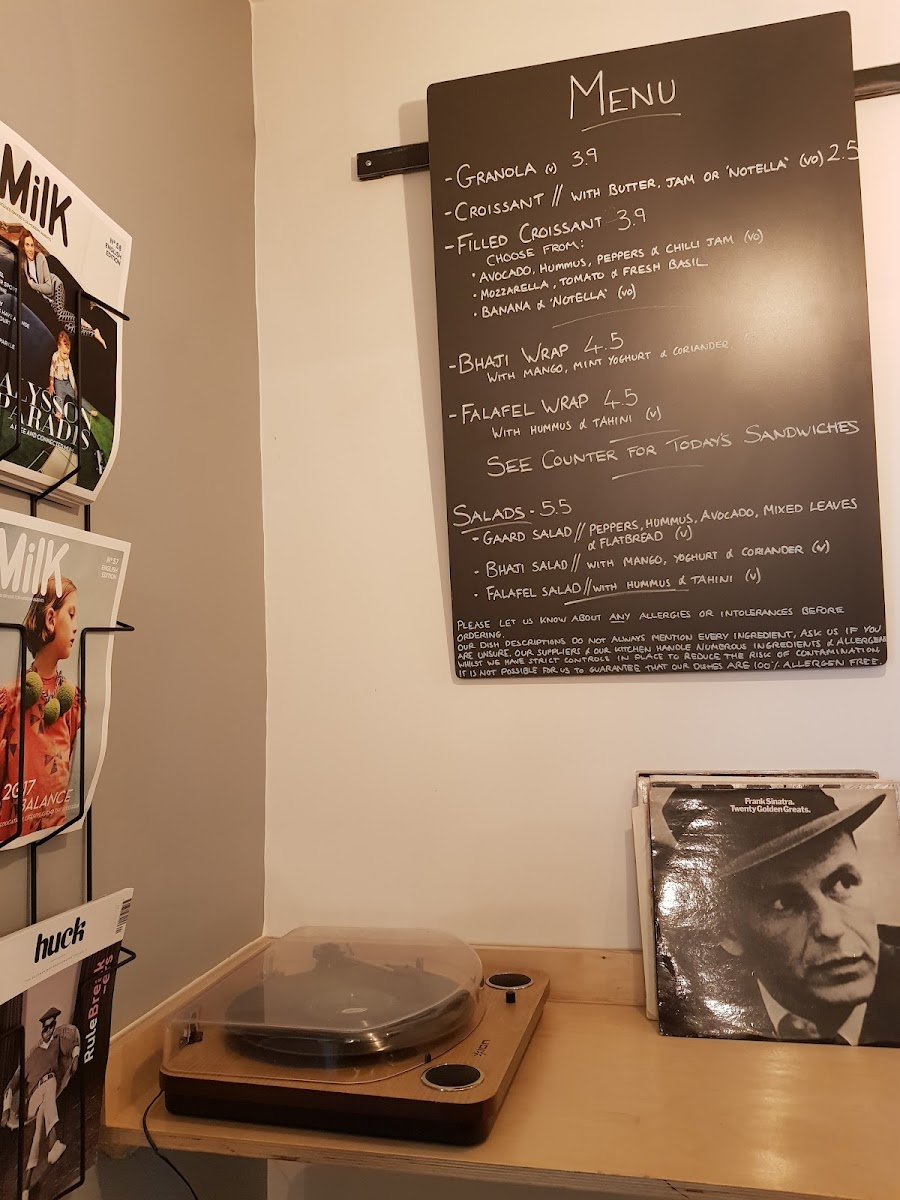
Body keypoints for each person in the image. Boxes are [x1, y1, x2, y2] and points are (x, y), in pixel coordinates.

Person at [656, 787, 900, 1044]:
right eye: (783, 903)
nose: (831, 928)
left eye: (843, 883)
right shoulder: (698, 1004)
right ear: (728, 934)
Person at [0, 576, 81, 841]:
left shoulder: (71, 698)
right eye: (71, 615)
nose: (76, 627)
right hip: (14, 834)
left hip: (54, 831)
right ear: (50, 619)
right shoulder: (11, 697)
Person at [1, 1006, 80, 1200]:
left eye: (52, 1027)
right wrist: (6, 1110)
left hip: (45, 1097)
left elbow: (74, 1044)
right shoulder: (32, 1057)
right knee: (49, 1084)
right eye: (46, 1028)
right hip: (32, 1101)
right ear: (41, 1030)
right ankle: (53, 1144)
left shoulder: (57, 1043)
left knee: (38, 1130)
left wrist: (76, 1057)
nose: (49, 1031)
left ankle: (25, 1186)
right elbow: (12, 1085)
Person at [19, 229, 106, 348]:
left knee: (60, 314)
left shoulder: (40, 258)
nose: (30, 249)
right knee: (68, 327)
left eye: (32, 245)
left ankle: (80, 320)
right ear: (23, 247)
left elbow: (49, 287)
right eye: (27, 245)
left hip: (56, 287)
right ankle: (93, 333)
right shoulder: (24, 264)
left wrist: (33, 285)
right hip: (50, 300)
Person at [48, 329, 77, 420]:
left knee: (76, 395)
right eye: (64, 353)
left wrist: (74, 387)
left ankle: (88, 410)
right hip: (58, 382)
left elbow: (71, 374)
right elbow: (52, 370)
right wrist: (51, 384)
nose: (66, 356)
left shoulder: (67, 360)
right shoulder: (55, 356)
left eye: (68, 354)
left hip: (67, 382)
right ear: (58, 347)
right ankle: (59, 414)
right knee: (59, 398)